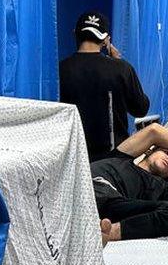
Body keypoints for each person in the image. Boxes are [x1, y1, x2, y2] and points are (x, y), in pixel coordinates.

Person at [59, 11, 150, 163]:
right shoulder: (122, 69)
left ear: (75, 33)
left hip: (74, 159)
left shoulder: (59, 70)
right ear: (106, 40)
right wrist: (118, 63)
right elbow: (140, 109)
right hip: (114, 161)